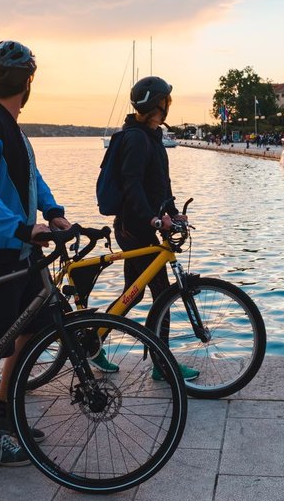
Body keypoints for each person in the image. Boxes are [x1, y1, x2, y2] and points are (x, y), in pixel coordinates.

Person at [0, 40, 71, 466]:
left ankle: (3, 411)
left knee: (33, 328)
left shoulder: (11, 127)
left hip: (17, 252)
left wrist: (53, 211)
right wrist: (20, 228)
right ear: (27, 81)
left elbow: (30, 178)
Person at [90, 76, 198, 380]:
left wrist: (173, 213)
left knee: (133, 294)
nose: (168, 106)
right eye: (166, 101)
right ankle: (161, 364)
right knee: (161, 293)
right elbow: (132, 185)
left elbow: (159, 184)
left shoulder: (150, 135)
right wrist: (152, 218)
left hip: (142, 226)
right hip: (133, 227)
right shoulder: (136, 138)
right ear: (157, 104)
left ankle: (93, 342)